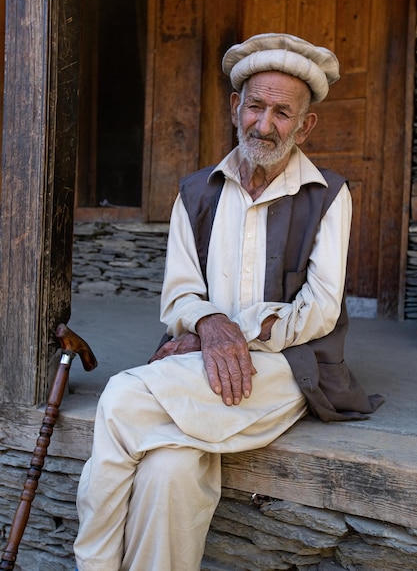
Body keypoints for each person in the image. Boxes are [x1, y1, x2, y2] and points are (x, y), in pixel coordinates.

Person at [74, 33, 382, 571]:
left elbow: (321, 308)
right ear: (234, 106)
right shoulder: (196, 191)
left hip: (283, 367)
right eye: (255, 106)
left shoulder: (329, 194)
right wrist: (203, 322)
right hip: (199, 362)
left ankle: (92, 565)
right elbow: (179, 294)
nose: (264, 125)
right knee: (169, 472)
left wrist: (230, 330)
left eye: (282, 113)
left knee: (122, 397)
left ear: (306, 125)